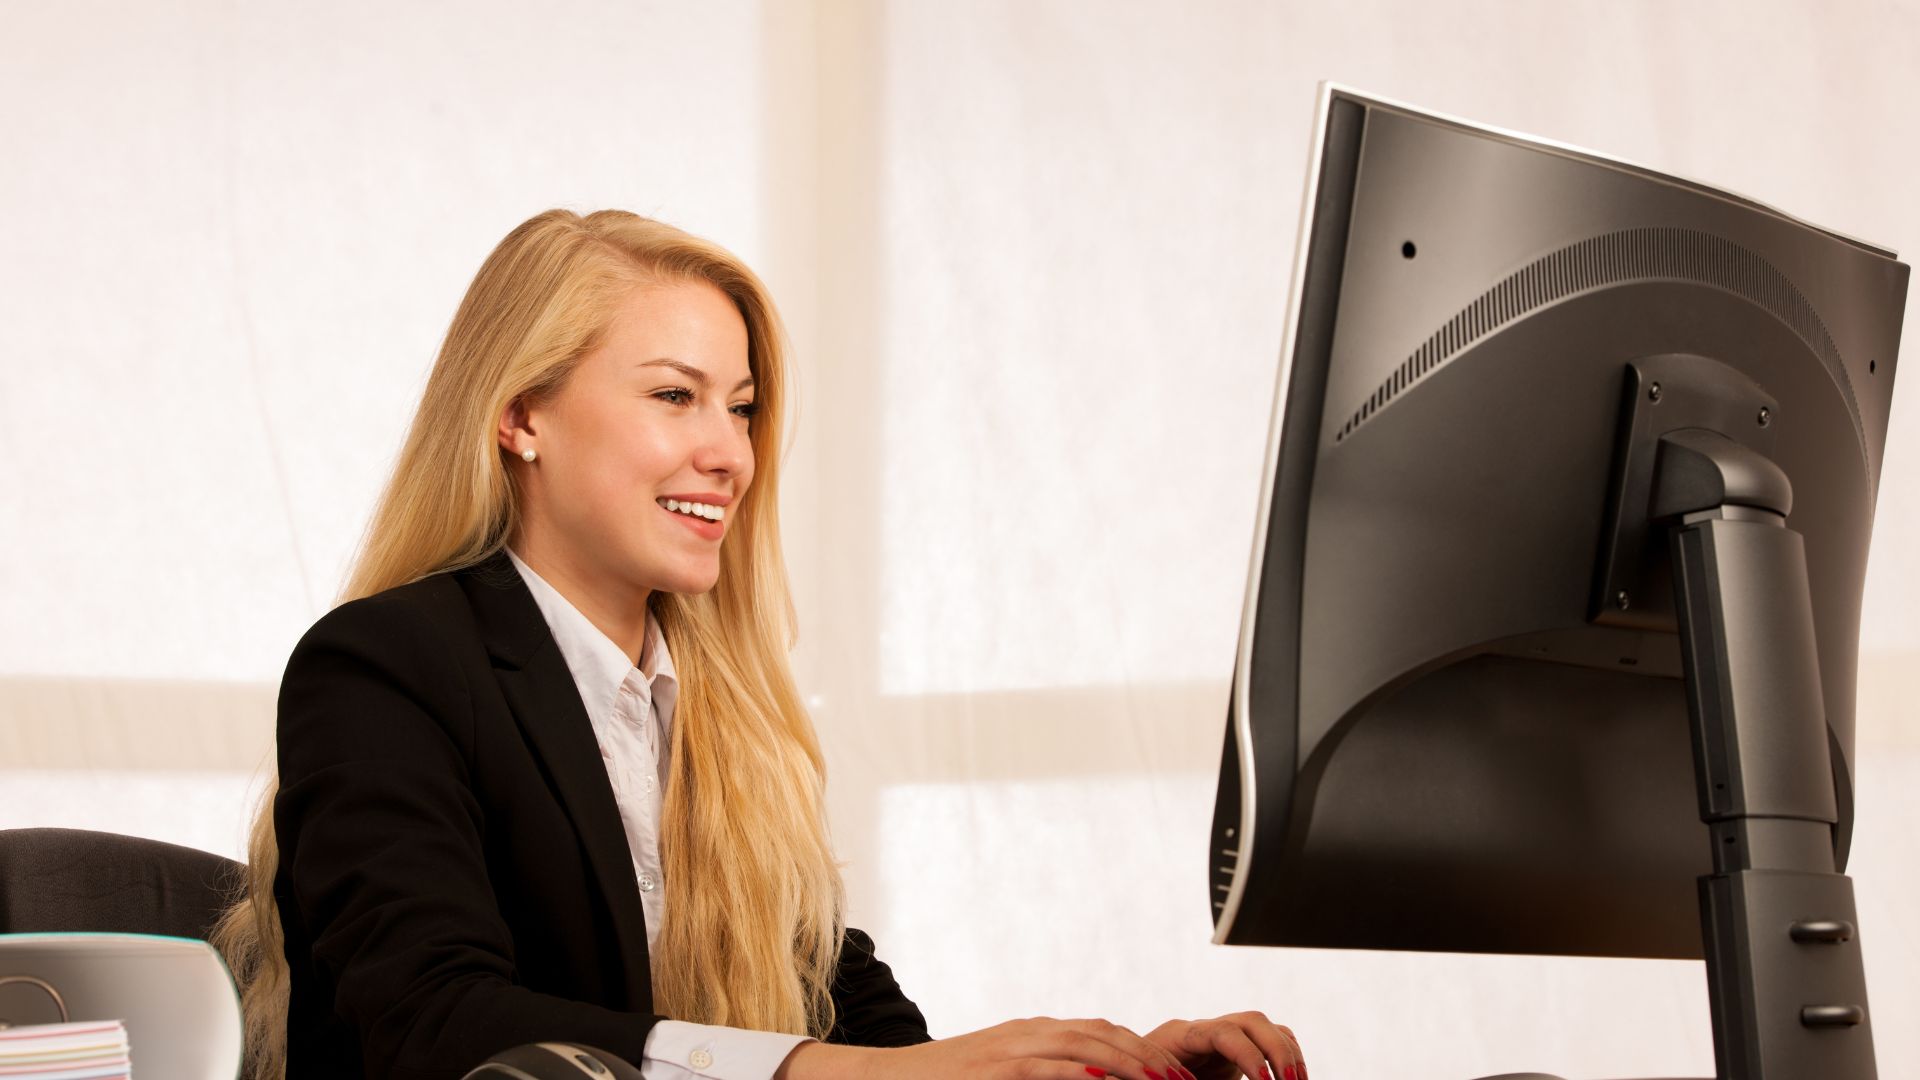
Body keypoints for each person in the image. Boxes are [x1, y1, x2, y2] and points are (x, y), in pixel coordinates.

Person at [213, 209, 1308, 1080]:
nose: (729, 453)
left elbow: (861, 1029)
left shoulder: (715, 709)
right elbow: (435, 1026)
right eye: (674, 396)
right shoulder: (384, 667)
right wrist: (804, 1075)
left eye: (740, 409)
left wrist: (1095, 1066)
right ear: (521, 417)